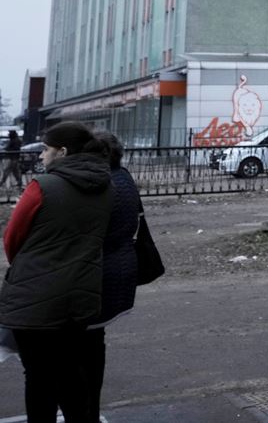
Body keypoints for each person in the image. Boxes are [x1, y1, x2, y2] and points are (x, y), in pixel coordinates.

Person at [0, 121, 113, 423]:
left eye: (46, 150)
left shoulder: (42, 187)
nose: (41, 156)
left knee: (38, 377)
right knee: (70, 372)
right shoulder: (105, 185)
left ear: (62, 152)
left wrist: (28, 267)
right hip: (80, 295)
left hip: (35, 298)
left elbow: (12, 239)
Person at [86, 130, 144, 419]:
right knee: (94, 345)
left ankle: (84, 410)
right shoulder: (124, 178)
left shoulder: (103, 185)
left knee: (83, 350)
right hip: (118, 271)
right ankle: (88, 409)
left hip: (97, 276)